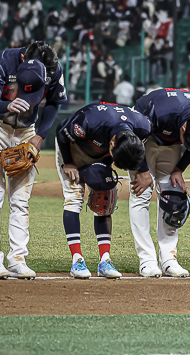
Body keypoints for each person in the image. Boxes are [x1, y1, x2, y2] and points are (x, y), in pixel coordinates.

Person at [0, 40, 67, 279]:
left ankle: (17, 259)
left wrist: (40, 136)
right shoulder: (1, 62)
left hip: (27, 131)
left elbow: (54, 102)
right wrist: (7, 105)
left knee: (21, 199)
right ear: (24, 60)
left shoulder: (53, 66)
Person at [130, 88, 190, 278]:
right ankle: (147, 260)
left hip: (171, 142)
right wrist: (143, 170)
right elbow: (132, 138)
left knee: (173, 196)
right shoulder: (160, 113)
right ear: (184, 129)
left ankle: (169, 259)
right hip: (143, 138)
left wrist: (179, 169)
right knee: (141, 193)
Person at [55, 102, 152, 279]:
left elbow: (137, 149)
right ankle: (77, 260)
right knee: (74, 197)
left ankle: (105, 260)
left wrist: (144, 170)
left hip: (103, 153)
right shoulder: (89, 122)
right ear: (112, 142)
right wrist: (68, 162)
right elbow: (61, 132)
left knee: (105, 200)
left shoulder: (143, 126)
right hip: (74, 149)